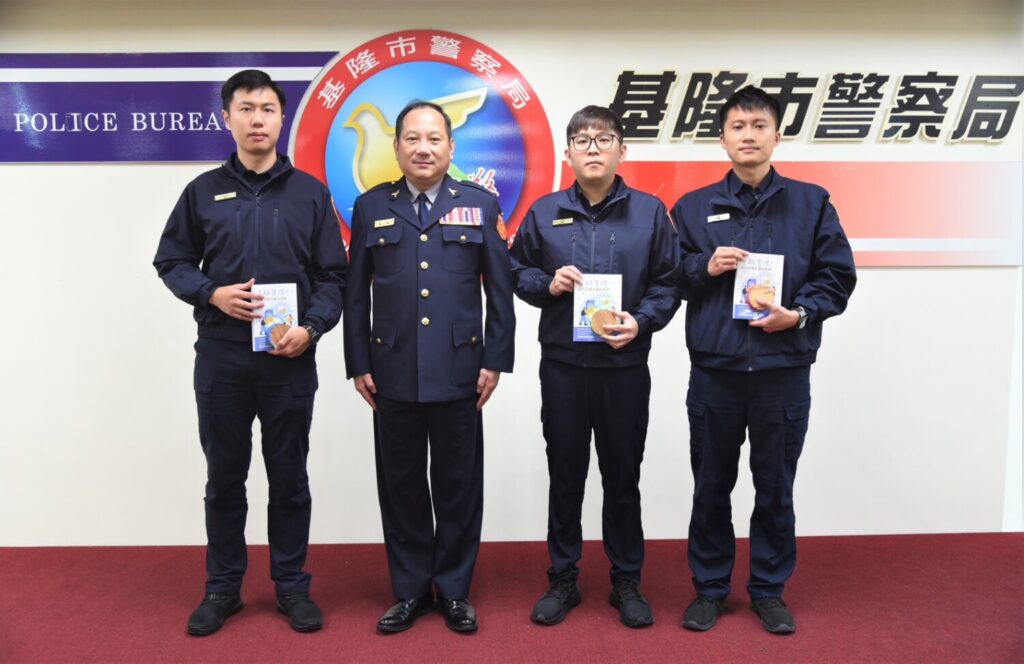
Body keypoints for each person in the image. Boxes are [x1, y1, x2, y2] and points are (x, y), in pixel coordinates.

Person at [153, 69, 346, 636]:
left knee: (289, 478)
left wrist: (311, 328)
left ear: (282, 119)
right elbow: (171, 260)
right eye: (245, 108)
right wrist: (210, 292)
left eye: (267, 109)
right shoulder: (202, 191)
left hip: (289, 357)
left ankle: (291, 587)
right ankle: (222, 588)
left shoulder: (310, 192)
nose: (257, 119)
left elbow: (333, 276)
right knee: (224, 478)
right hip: (222, 356)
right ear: (227, 118)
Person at [672, 86, 856, 634]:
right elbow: (669, 277)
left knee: (775, 487)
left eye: (758, 126)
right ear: (722, 138)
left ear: (778, 135)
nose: (748, 136)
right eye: (737, 126)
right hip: (716, 371)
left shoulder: (811, 202)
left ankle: (769, 590)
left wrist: (797, 315)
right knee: (710, 486)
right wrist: (704, 266)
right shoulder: (692, 207)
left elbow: (837, 277)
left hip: (783, 372)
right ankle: (710, 589)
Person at [342, 100, 515, 634]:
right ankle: (412, 590)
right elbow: (355, 294)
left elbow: (500, 291)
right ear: (396, 147)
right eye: (412, 139)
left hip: (462, 370)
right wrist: (358, 361)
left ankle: (455, 590)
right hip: (391, 370)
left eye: (434, 138)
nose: (423, 148)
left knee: (458, 484)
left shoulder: (480, 204)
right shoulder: (371, 206)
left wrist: (495, 360)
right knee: (402, 486)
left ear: (451, 146)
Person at [509, 106, 679, 628]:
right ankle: (563, 579)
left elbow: (669, 282)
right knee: (565, 474)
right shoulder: (544, 212)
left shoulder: (650, 212)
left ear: (622, 150)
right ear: (567, 154)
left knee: (623, 476)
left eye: (604, 139)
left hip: (624, 367)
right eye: (582, 140)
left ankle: (626, 580)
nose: (593, 148)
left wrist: (642, 321)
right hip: (563, 367)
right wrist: (548, 284)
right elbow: (516, 270)